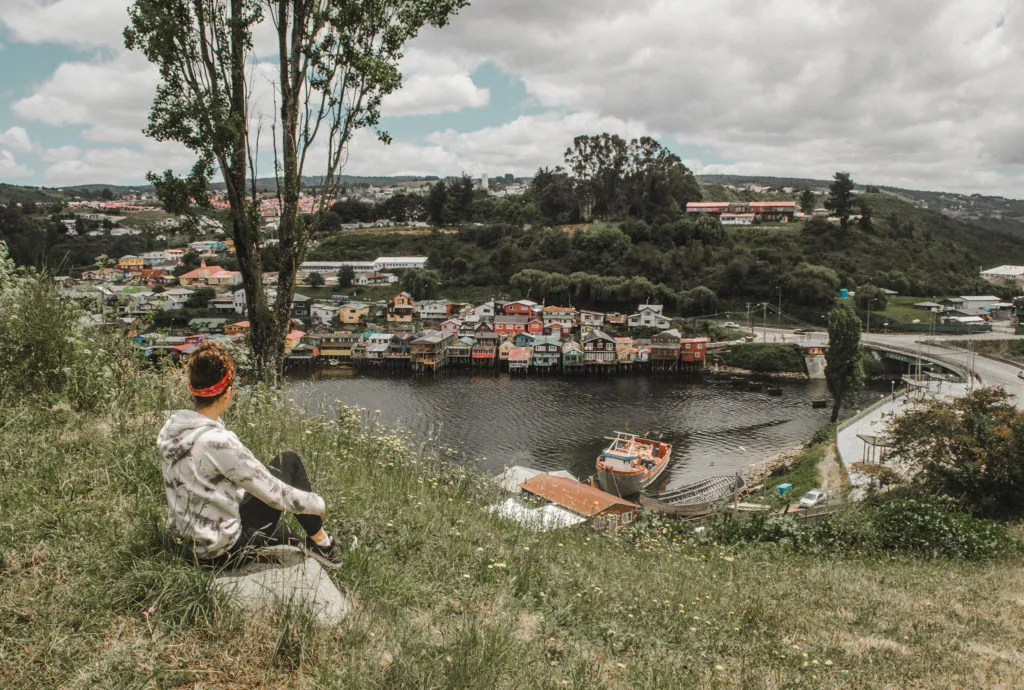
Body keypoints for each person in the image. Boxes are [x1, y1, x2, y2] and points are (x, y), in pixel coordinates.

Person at [157, 341, 343, 568]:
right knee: (288, 462)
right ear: (227, 394)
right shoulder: (219, 442)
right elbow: (276, 496)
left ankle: (309, 543)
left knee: (281, 530)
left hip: (185, 542)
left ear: (193, 390)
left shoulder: (173, 428)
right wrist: (318, 504)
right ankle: (324, 545)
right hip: (218, 554)